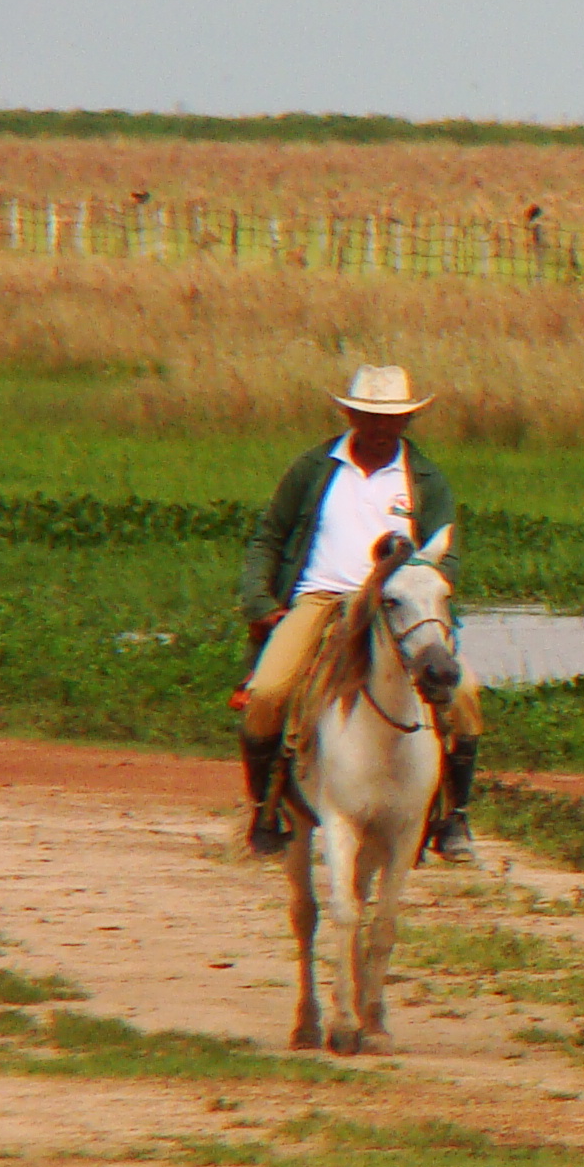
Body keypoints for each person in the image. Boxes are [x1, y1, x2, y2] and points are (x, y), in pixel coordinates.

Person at [236, 364, 481, 860]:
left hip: (397, 606)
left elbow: (445, 550)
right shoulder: (313, 468)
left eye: (391, 418)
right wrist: (261, 603)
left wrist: (425, 583)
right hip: (322, 600)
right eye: (369, 415)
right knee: (268, 693)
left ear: (407, 421)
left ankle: (453, 816)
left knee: (464, 695)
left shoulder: (426, 480)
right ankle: (266, 807)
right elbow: (269, 536)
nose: (379, 426)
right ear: (349, 413)